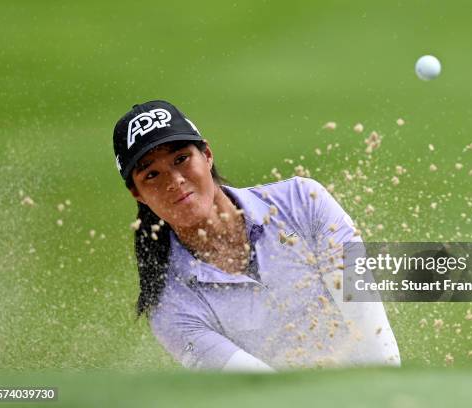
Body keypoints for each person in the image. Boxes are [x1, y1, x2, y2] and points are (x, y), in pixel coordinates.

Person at [113, 100, 400, 371]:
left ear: (207, 155)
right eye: (152, 174)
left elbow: (369, 323)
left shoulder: (303, 200)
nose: (175, 181)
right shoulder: (171, 308)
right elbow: (264, 391)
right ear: (137, 193)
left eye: (181, 158)